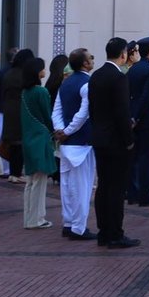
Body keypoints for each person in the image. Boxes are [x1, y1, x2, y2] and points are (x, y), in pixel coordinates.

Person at [87, 37, 139, 248]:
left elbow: (92, 108)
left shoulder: (96, 75)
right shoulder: (119, 78)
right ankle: (116, 233)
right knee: (117, 189)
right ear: (123, 54)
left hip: (99, 137)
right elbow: (122, 112)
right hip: (116, 141)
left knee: (104, 186)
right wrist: (128, 140)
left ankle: (103, 231)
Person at [54, 49, 96, 239]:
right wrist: (68, 131)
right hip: (81, 141)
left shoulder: (66, 82)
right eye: (90, 58)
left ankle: (68, 222)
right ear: (85, 64)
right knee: (82, 187)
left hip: (67, 142)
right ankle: (78, 228)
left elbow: (57, 109)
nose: (92, 60)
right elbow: (83, 113)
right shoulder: (87, 84)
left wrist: (60, 130)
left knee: (67, 185)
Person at [19, 57, 56, 230]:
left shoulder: (24, 92)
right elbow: (47, 116)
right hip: (41, 138)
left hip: (28, 137)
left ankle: (29, 217)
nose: (44, 71)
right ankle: (37, 219)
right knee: (39, 182)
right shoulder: (40, 92)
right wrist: (54, 131)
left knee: (31, 181)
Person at [127, 35, 149, 205]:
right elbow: (147, 96)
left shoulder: (133, 68)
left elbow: (131, 95)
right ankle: (145, 196)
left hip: (134, 117)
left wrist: (132, 115)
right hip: (147, 119)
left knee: (135, 158)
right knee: (148, 158)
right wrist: (138, 116)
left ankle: (133, 193)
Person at [0, 47, 34, 181]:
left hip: (9, 109)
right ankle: (17, 173)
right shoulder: (24, 74)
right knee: (19, 143)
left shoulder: (9, 73)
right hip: (20, 110)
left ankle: (14, 172)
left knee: (13, 143)